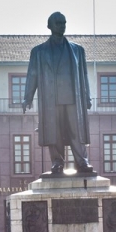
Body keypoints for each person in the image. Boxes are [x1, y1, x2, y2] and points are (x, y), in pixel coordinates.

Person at [22, 11, 94, 174]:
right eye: (58, 23)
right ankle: (57, 162)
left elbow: (84, 75)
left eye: (64, 23)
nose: (62, 26)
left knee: (76, 130)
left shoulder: (77, 50)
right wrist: (27, 97)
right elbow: (32, 74)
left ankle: (81, 161)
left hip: (72, 98)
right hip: (50, 98)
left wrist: (87, 97)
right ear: (49, 26)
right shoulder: (39, 51)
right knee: (54, 131)